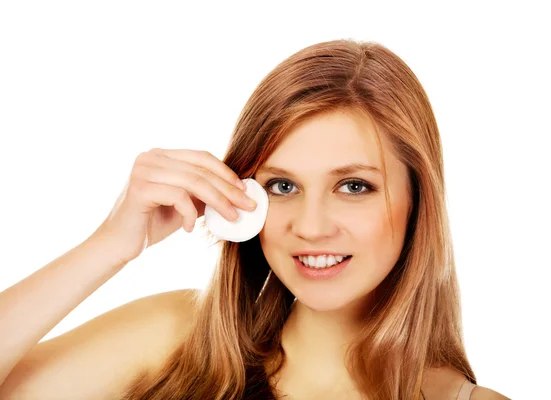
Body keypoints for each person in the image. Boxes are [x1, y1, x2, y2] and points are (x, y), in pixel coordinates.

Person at [0, 39, 510, 400]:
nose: (311, 226)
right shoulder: (176, 341)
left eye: (354, 186)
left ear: (418, 200)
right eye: (282, 186)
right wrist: (108, 245)